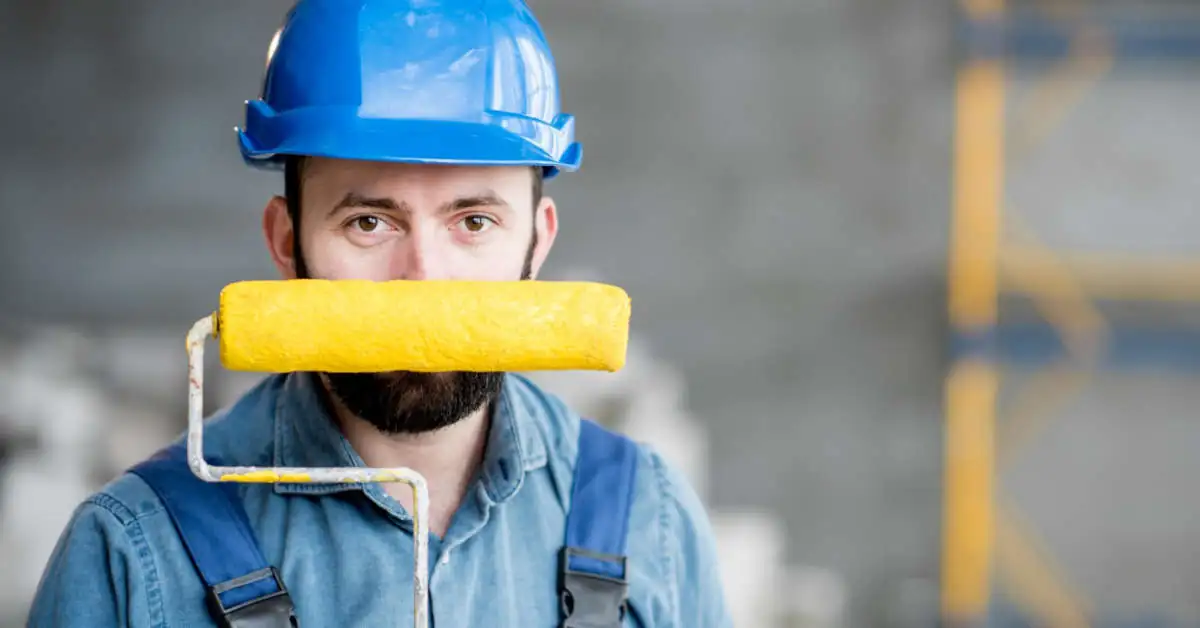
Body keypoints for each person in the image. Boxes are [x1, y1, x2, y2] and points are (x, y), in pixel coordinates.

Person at [27, 1, 732, 626]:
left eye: (475, 222)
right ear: (285, 241)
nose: (421, 277)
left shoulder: (652, 519)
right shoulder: (129, 548)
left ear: (538, 242)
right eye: (369, 223)